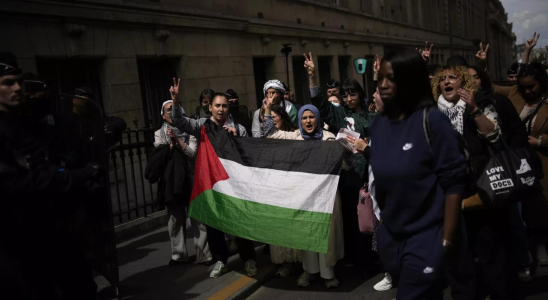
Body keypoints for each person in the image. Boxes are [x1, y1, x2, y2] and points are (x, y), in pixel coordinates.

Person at [0, 52, 99, 300]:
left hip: (47, 223)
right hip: (15, 236)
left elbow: (46, 163)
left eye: (18, 82)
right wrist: (74, 177)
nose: (17, 88)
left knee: (81, 285)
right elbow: (19, 182)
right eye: (7, 83)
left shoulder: (24, 124)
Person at [371, 49, 467, 299]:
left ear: (410, 79)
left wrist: (445, 241)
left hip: (427, 239)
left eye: (391, 78)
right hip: (393, 241)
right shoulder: (380, 123)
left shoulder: (432, 122)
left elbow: (454, 184)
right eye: (379, 78)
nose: (383, 85)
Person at [433, 64, 528, 299]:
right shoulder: (433, 113)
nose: (446, 81)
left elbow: (496, 139)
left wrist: (474, 109)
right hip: (449, 192)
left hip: (482, 187)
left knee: (490, 247)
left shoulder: (480, 105)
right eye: (442, 79)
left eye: (452, 77)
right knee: (457, 253)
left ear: (463, 83)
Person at [168, 78, 257, 278]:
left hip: (234, 187)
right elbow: (180, 122)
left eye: (225, 106)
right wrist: (175, 102)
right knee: (215, 226)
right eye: (217, 105)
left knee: (239, 224)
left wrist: (237, 138)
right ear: (210, 107)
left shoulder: (238, 128)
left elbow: (249, 153)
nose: (221, 109)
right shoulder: (202, 126)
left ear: (229, 108)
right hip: (213, 187)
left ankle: (249, 259)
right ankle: (220, 260)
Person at [263, 102, 344, 288]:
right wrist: (267, 109)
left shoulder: (329, 138)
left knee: (326, 236)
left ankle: (328, 274)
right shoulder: (296, 138)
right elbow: (270, 135)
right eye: (304, 117)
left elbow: (345, 165)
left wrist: (345, 151)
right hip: (305, 197)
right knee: (307, 234)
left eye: (311, 116)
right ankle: (310, 271)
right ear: (300, 120)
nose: (308, 121)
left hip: (327, 197)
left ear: (317, 118)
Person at [306, 52, 373, 269]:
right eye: (345, 96)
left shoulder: (372, 116)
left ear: (360, 94)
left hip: (371, 176)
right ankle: (356, 260)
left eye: (352, 94)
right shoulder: (339, 114)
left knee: (371, 218)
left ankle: (375, 257)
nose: (348, 99)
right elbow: (320, 103)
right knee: (352, 221)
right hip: (349, 177)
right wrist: (312, 76)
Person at [494, 62, 548, 270]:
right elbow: (490, 87)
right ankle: (523, 251)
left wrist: (541, 141)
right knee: (518, 212)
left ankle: (541, 245)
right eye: (523, 86)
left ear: (542, 83)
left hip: (541, 161)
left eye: (532, 86)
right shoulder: (515, 95)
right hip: (515, 162)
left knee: (540, 209)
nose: (527, 91)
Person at [147, 100, 212, 266]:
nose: (172, 111)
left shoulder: (189, 129)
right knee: (175, 220)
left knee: (198, 218)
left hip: (192, 178)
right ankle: (178, 255)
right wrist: (170, 146)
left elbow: (193, 153)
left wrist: (177, 141)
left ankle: (203, 254)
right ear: (163, 115)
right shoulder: (158, 133)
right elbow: (160, 156)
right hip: (172, 182)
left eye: (174, 108)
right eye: (168, 110)